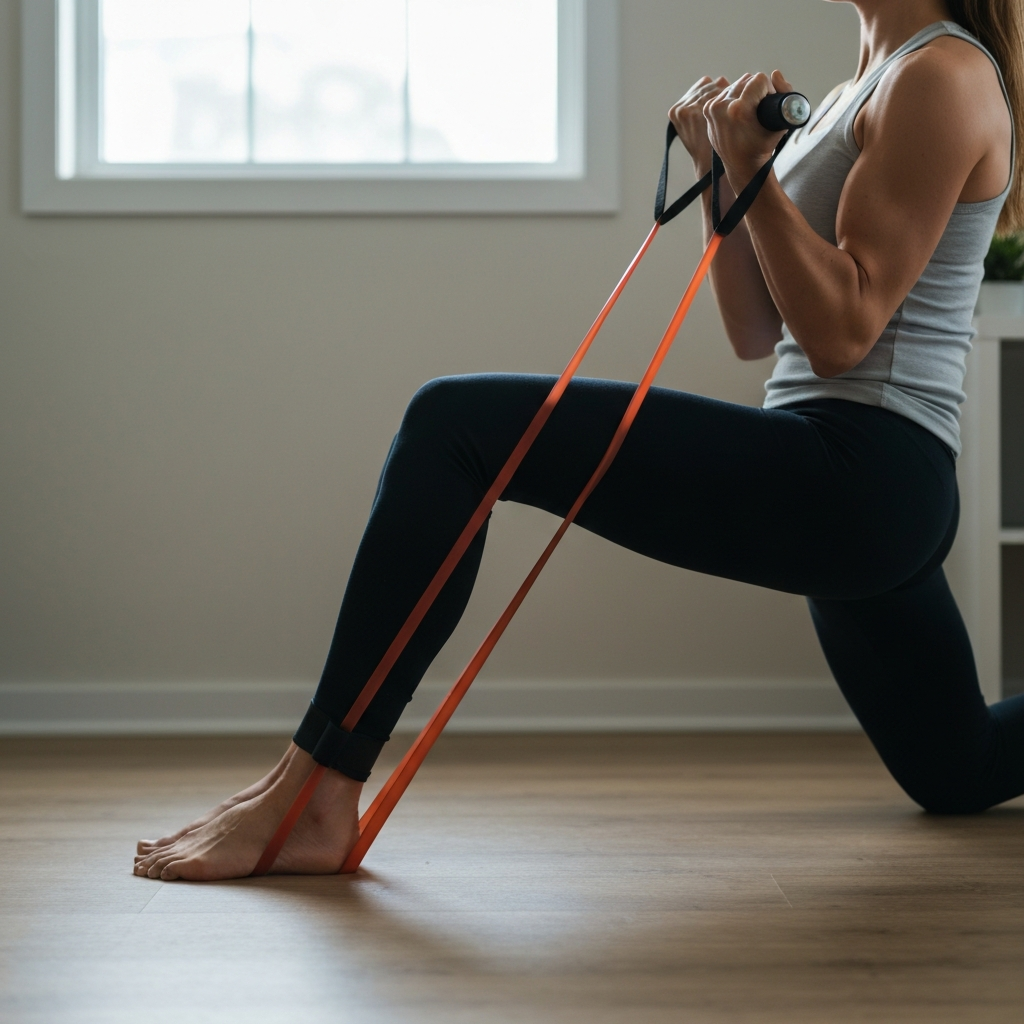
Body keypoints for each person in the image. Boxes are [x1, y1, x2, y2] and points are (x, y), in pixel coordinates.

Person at [134, 0, 1024, 882]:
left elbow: (844, 330)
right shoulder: (860, 85)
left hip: (862, 477)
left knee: (456, 427)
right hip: (839, 470)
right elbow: (758, 328)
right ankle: (309, 794)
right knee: (960, 769)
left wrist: (756, 170)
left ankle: (315, 793)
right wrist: (726, 171)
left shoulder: (939, 77)